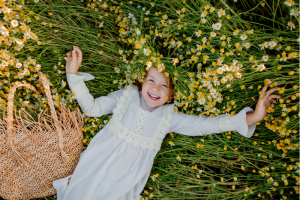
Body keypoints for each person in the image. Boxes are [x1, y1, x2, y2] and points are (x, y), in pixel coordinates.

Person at [53, 46, 281, 200]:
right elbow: (92, 108)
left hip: (124, 180)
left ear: (171, 95)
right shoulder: (126, 97)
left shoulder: (169, 118)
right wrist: (73, 75)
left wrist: (254, 117)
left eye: (164, 86)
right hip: (97, 163)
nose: (155, 88)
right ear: (141, 82)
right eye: (151, 81)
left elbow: (206, 125)